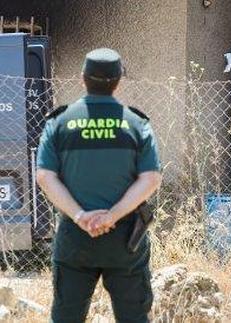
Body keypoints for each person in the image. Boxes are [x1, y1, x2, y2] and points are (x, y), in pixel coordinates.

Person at [36, 48, 162, 322]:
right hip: (126, 239)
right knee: (133, 316)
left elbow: (45, 176)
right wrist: (112, 216)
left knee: (66, 316)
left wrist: (81, 217)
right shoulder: (136, 124)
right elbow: (151, 178)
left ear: (83, 78)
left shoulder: (59, 122)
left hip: (75, 237)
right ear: (119, 81)